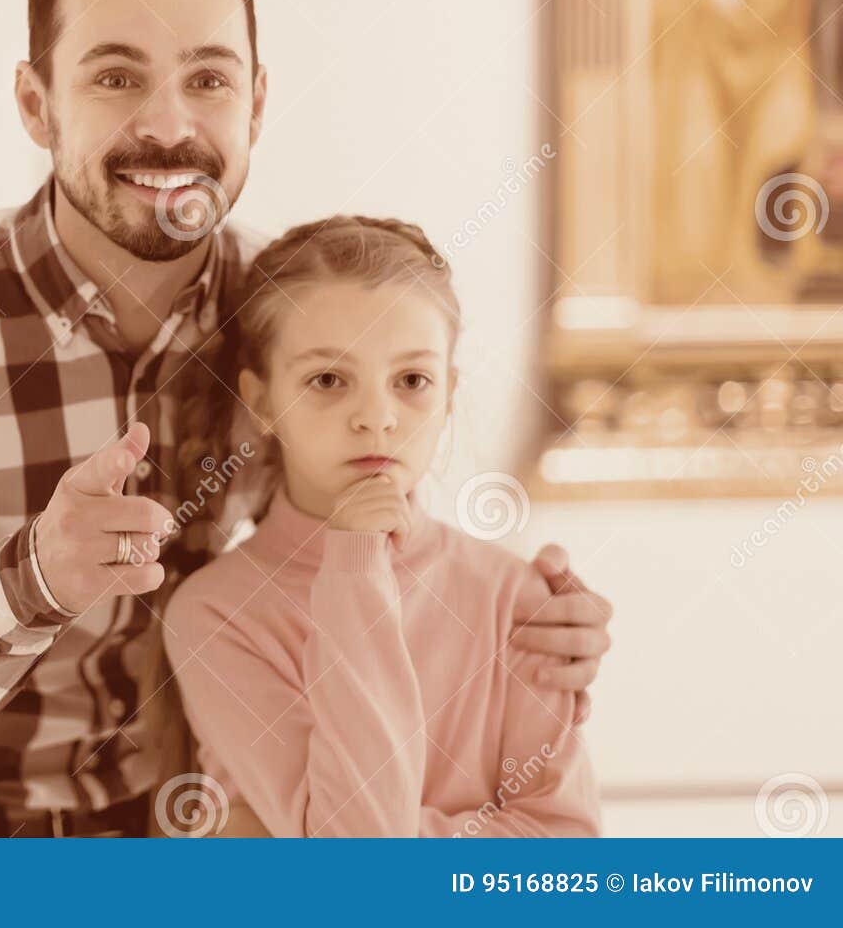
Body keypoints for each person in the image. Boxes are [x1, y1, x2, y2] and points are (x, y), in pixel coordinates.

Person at [0, 0, 612, 837]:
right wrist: (37, 576)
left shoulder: (293, 316)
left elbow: (377, 533)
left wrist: (538, 629)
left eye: (208, 79)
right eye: (116, 78)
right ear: (36, 105)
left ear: (257, 105)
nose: (168, 124)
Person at [162, 216, 602, 837]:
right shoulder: (215, 617)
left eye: (412, 381)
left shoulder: (518, 600)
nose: (376, 417)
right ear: (261, 403)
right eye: (327, 380)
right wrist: (355, 568)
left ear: (448, 394)